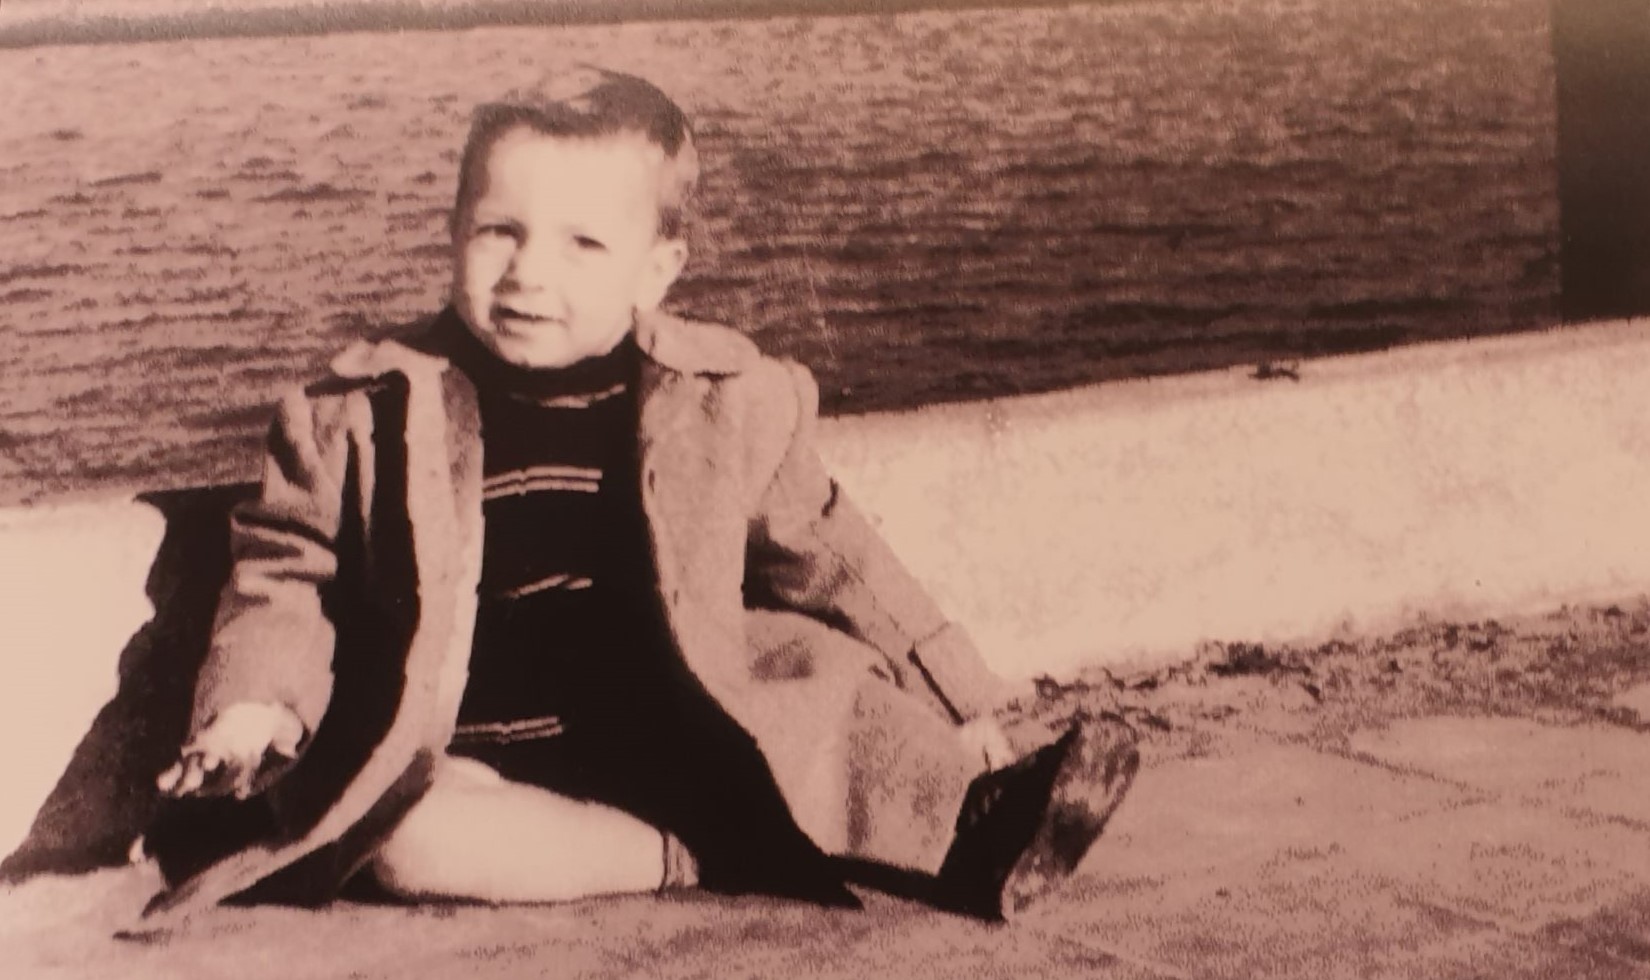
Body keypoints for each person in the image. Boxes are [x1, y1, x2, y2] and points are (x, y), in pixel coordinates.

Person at [142, 66, 1139, 926]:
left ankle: (985, 818)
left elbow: (832, 555)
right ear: (452, 230)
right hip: (470, 742)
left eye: (582, 244)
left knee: (836, 689)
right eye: (498, 231)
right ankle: (682, 852)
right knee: (408, 840)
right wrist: (252, 708)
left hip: (670, 716)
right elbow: (287, 576)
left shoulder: (723, 399)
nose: (528, 273)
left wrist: (959, 700)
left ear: (657, 271)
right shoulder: (361, 412)